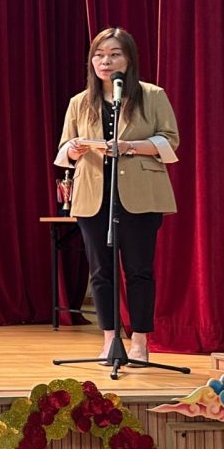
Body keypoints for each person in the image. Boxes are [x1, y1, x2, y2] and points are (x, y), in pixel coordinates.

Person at [54, 28, 179, 365]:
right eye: (99, 55)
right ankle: (110, 339)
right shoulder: (80, 102)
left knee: (139, 270)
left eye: (114, 54)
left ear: (129, 59)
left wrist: (130, 147)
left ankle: (139, 341)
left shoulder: (152, 95)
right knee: (100, 271)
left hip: (140, 195)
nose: (105, 62)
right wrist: (75, 148)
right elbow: (63, 151)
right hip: (94, 196)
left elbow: (170, 141)